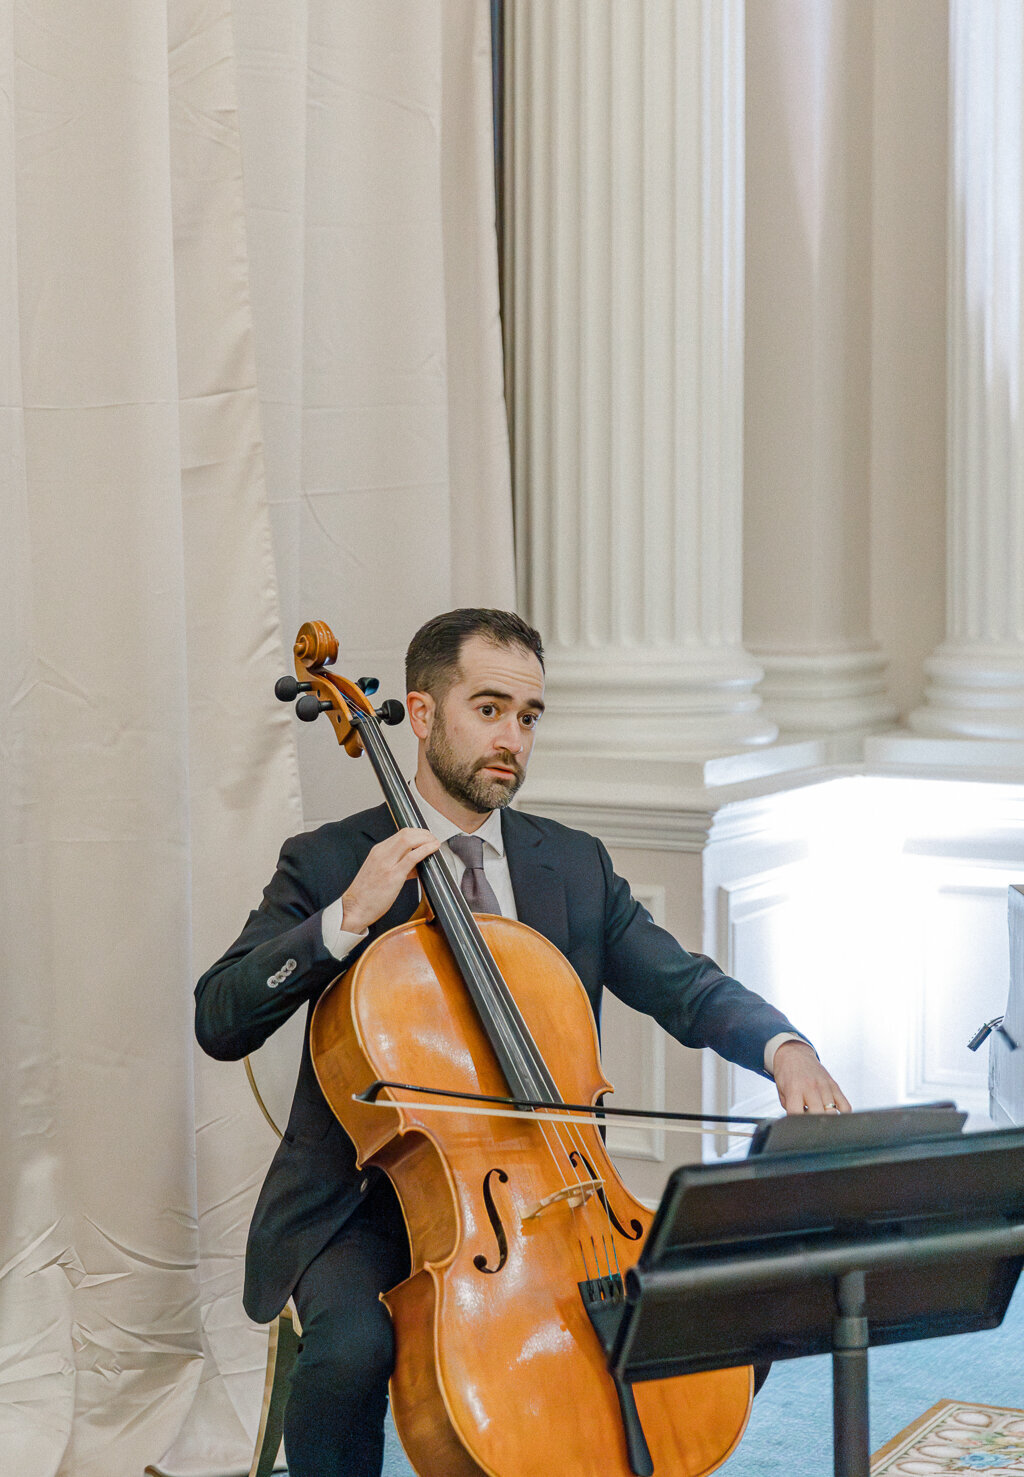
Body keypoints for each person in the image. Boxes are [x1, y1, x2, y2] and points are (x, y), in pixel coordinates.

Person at [195, 607, 850, 1477]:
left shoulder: (571, 863)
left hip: (553, 1195)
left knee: (721, 1312)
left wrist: (784, 1047)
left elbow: (683, 984)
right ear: (422, 715)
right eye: (490, 708)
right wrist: (346, 918)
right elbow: (219, 1016)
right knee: (350, 1351)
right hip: (362, 1202)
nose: (514, 737)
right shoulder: (329, 860)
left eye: (529, 715)